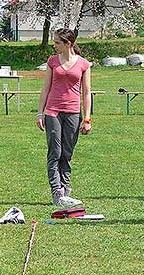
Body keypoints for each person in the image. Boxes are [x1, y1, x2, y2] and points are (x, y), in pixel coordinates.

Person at [37, 28, 92, 206]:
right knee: (55, 152)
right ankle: (57, 193)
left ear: (68, 43)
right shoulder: (52, 61)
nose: (54, 46)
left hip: (74, 113)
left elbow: (86, 92)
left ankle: (66, 190)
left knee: (67, 153)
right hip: (53, 111)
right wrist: (40, 112)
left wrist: (87, 119)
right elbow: (45, 88)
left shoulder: (84, 64)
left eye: (58, 43)